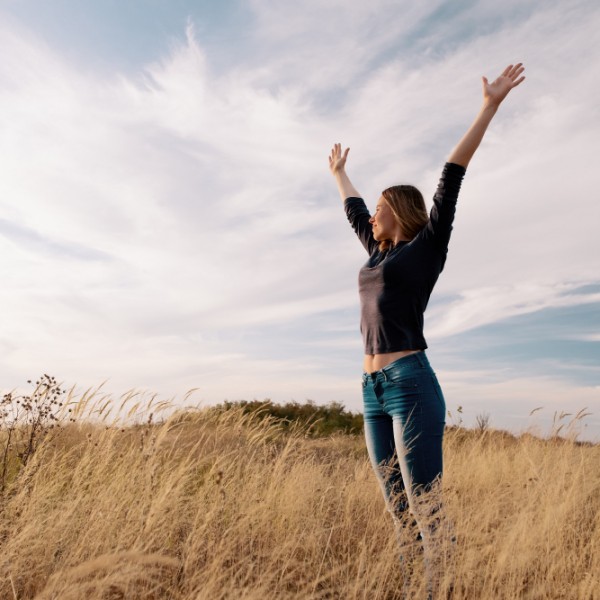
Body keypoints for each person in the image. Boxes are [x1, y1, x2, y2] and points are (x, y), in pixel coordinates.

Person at [329, 63, 525, 596]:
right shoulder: (376, 253)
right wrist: (339, 174)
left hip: (410, 382)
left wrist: (489, 107)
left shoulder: (425, 249)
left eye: (380, 210)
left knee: (425, 504)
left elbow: (451, 176)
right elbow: (354, 211)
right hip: (371, 389)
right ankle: (414, 587)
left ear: (400, 212)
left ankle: (441, 588)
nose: (372, 217)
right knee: (396, 506)